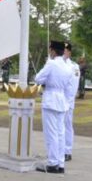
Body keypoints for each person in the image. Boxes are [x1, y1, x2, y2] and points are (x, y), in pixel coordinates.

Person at [34, 40, 73, 174]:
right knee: (60, 133)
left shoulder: (51, 63)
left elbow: (38, 78)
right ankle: (60, 163)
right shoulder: (69, 66)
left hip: (51, 98)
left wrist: (46, 66)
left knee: (51, 133)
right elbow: (68, 85)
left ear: (53, 51)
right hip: (62, 100)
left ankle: (52, 163)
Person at [63, 43, 80, 162]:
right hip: (58, 101)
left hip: (67, 101)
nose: (62, 52)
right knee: (58, 127)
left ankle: (67, 151)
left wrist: (68, 102)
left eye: (64, 50)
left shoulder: (74, 66)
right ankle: (59, 150)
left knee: (67, 125)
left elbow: (73, 87)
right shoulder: (57, 64)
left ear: (69, 52)